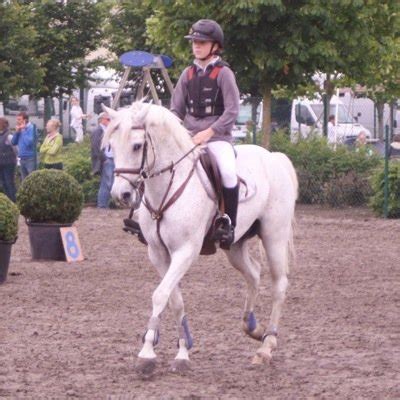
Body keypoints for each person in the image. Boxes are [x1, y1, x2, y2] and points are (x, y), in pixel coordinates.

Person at [170, 19, 240, 248]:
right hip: (189, 138)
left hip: (217, 138)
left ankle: (229, 224)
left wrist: (209, 132)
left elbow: (232, 110)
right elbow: (176, 110)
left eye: (201, 42)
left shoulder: (224, 73)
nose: (196, 46)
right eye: (194, 42)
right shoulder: (187, 74)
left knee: (228, 172)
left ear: (215, 46)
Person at [90, 112, 114, 208]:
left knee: (108, 182)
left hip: (111, 158)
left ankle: (104, 204)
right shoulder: (98, 131)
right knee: (107, 182)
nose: (110, 121)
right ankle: (102, 205)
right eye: (108, 119)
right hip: (106, 159)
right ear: (101, 120)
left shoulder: (108, 130)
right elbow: (95, 147)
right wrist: (104, 159)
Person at [11, 111, 37, 180]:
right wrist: (17, 132)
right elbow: (13, 142)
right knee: (24, 180)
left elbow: (29, 143)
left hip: (30, 158)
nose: (17, 121)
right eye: (17, 119)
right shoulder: (20, 129)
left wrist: (24, 130)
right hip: (22, 158)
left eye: (19, 119)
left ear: (25, 120)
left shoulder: (32, 128)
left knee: (31, 180)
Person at [0, 117, 17, 202]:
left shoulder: (9, 135)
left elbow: (15, 148)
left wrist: (16, 158)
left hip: (9, 163)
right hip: (1, 163)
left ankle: (14, 201)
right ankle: (8, 201)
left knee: (9, 182)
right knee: (3, 183)